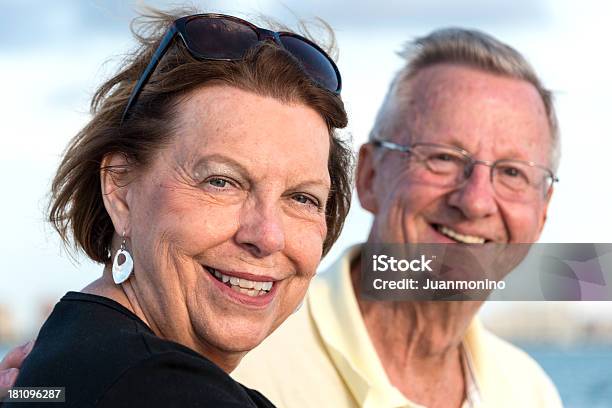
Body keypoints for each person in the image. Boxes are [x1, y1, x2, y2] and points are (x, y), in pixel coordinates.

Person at [0, 7, 352, 408]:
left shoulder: (66, 363)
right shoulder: (162, 390)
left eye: (302, 198)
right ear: (120, 188)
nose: (267, 235)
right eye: (221, 182)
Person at [231, 28, 563, 407]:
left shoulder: (530, 392)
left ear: (542, 212)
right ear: (370, 176)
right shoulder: (245, 355)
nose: (475, 201)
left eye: (512, 173)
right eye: (443, 158)